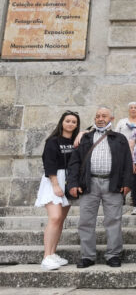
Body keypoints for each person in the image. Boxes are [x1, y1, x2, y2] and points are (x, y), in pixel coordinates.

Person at [67, 107, 132, 268]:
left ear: (112, 118)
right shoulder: (86, 137)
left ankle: (113, 255)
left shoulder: (120, 138)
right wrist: (73, 183)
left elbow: (127, 162)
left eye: (104, 116)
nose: (100, 118)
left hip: (113, 184)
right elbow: (74, 162)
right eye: (97, 116)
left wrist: (127, 183)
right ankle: (87, 256)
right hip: (89, 184)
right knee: (86, 221)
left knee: (114, 220)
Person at [35, 110, 80, 270]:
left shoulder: (76, 141)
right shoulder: (53, 141)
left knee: (60, 220)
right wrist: (55, 184)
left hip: (69, 181)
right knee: (54, 218)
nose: (70, 124)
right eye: (68, 121)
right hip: (54, 180)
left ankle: (53, 253)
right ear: (62, 122)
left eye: (74, 122)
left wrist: (84, 132)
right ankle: (46, 256)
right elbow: (49, 163)